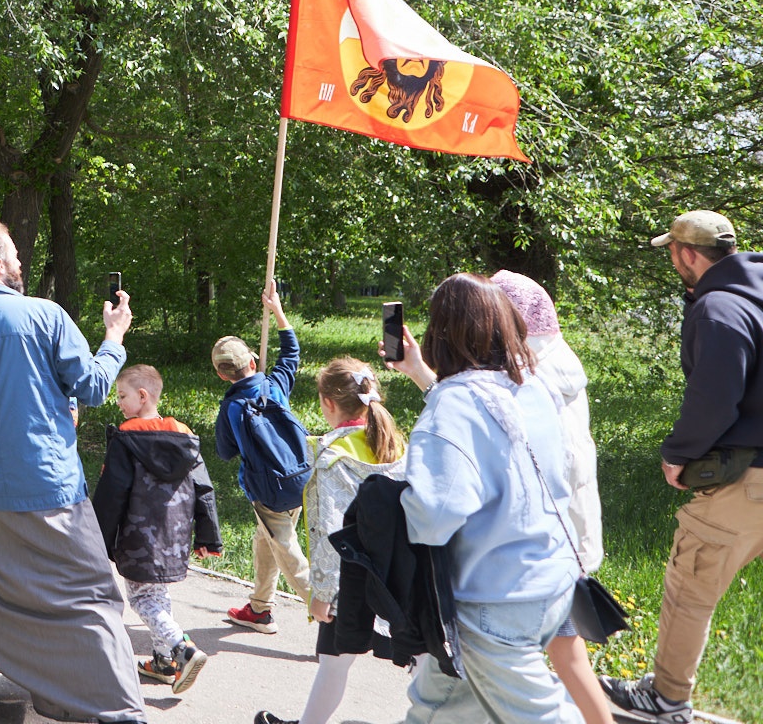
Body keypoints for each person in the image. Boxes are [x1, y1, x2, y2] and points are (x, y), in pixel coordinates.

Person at [0, 216, 144, 724]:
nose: (21, 264)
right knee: (89, 597)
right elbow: (90, 387)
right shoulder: (47, 316)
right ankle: (121, 709)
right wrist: (114, 338)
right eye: (16, 256)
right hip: (49, 489)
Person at [383, 273, 583, 724]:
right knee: (436, 705)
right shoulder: (535, 389)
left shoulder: (454, 405)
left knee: (541, 716)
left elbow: (435, 515)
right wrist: (420, 374)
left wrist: (400, 503)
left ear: (442, 334)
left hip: (491, 600)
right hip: (551, 583)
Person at [602, 211, 763, 724]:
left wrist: (679, 453)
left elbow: (715, 399)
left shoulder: (718, 309)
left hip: (747, 479)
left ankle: (667, 698)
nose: (672, 261)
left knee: (691, 583)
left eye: (671, 252)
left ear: (688, 254)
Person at [253, 357, 407, 724]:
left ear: (328, 403)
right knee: (419, 658)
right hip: (398, 575)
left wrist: (322, 593)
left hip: (351, 581)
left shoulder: (331, 457)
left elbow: (328, 532)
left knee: (335, 661)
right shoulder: (397, 446)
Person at [491, 270, 611, 724]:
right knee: (565, 656)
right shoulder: (555, 365)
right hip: (564, 534)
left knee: (518, 661)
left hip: (536, 544)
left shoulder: (527, 381)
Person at [91, 363, 220, 695]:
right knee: (157, 594)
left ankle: (182, 648)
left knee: (142, 598)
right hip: (175, 535)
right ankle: (163, 661)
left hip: (138, 536)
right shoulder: (183, 435)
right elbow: (204, 488)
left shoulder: (126, 438)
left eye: (122, 395)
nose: (118, 402)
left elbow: (112, 492)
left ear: (142, 395)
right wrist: (208, 535)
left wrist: (96, 539)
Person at [214, 282, 313, 633]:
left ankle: (333, 611)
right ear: (253, 362)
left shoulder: (231, 407)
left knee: (288, 552)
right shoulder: (274, 385)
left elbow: (225, 452)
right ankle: (259, 608)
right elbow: (291, 354)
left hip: (268, 491)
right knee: (266, 539)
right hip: (301, 476)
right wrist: (277, 312)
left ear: (220, 374)